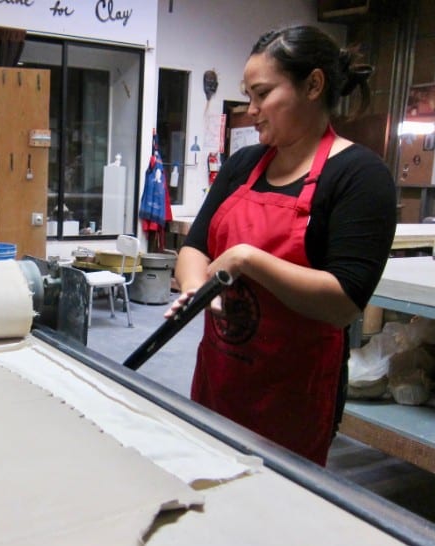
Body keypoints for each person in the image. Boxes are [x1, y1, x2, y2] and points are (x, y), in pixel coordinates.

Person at [166, 25, 396, 465]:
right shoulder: (243, 165)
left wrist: (249, 260)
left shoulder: (359, 177)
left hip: (292, 399)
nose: (251, 110)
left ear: (313, 85)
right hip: (220, 377)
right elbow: (194, 246)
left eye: (262, 94)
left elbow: (344, 301)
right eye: (247, 95)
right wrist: (196, 289)